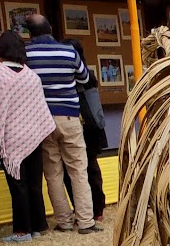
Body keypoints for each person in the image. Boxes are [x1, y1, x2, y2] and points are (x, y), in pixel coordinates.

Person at [23, 12, 99, 233]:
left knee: (53, 172)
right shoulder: (68, 51)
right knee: (78, 169)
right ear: (49, 28)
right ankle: (86, 221)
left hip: (42, 120)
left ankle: (64, 222)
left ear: (30, 33)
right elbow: (85, 79)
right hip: (69, 116)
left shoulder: (26, 54)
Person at [0, 28, 54, 241]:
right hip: (33, 136)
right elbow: (39, 109)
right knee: (34, 182)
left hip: (11, 137)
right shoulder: (32, 76)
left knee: (18, 185)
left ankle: (22, 231)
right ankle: (38, 226)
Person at [72, 39, 107, 221]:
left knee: (87, 167)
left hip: (86, 125)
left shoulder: (85, 76)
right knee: (89, 167)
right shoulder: (90, 75)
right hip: (92, 125)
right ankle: (93, 208)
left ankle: (96, 208)